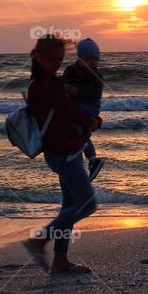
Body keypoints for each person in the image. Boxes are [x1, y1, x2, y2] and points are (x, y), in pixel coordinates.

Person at [22, 35, 102, 275]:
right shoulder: (44, 86)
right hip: (62, 151)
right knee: (87, 204)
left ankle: (60, 261)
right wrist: (92, 120)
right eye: (50, 59)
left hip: (69, 148)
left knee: (69, 205)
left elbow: (69, 108)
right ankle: (40, 240)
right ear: (38, 57)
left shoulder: (48, 81)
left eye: (59, 59)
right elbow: (69, 110)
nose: (56, 64)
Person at [61, 37, 105, 180]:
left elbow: (94, 90)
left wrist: (76, 91)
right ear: (80, 59)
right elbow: (62, 82)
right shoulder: (71, 71)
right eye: (88, 59)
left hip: (90, 106)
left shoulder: (97, 75)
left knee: (78, 129)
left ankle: (81, 151)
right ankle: (92, 160)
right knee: (82, 133)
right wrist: (64, 87)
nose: (93, 62)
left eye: (95, 59)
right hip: (76, 104)